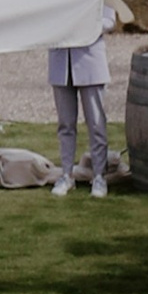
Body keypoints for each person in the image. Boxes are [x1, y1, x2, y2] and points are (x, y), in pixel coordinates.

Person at [46, 23, 111, 200]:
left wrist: (80, 26)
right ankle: (66, 175)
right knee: (65, 123)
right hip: (60, 60)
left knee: (96, 122)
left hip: (89, 59)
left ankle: (99, 176)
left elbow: (108, 20)